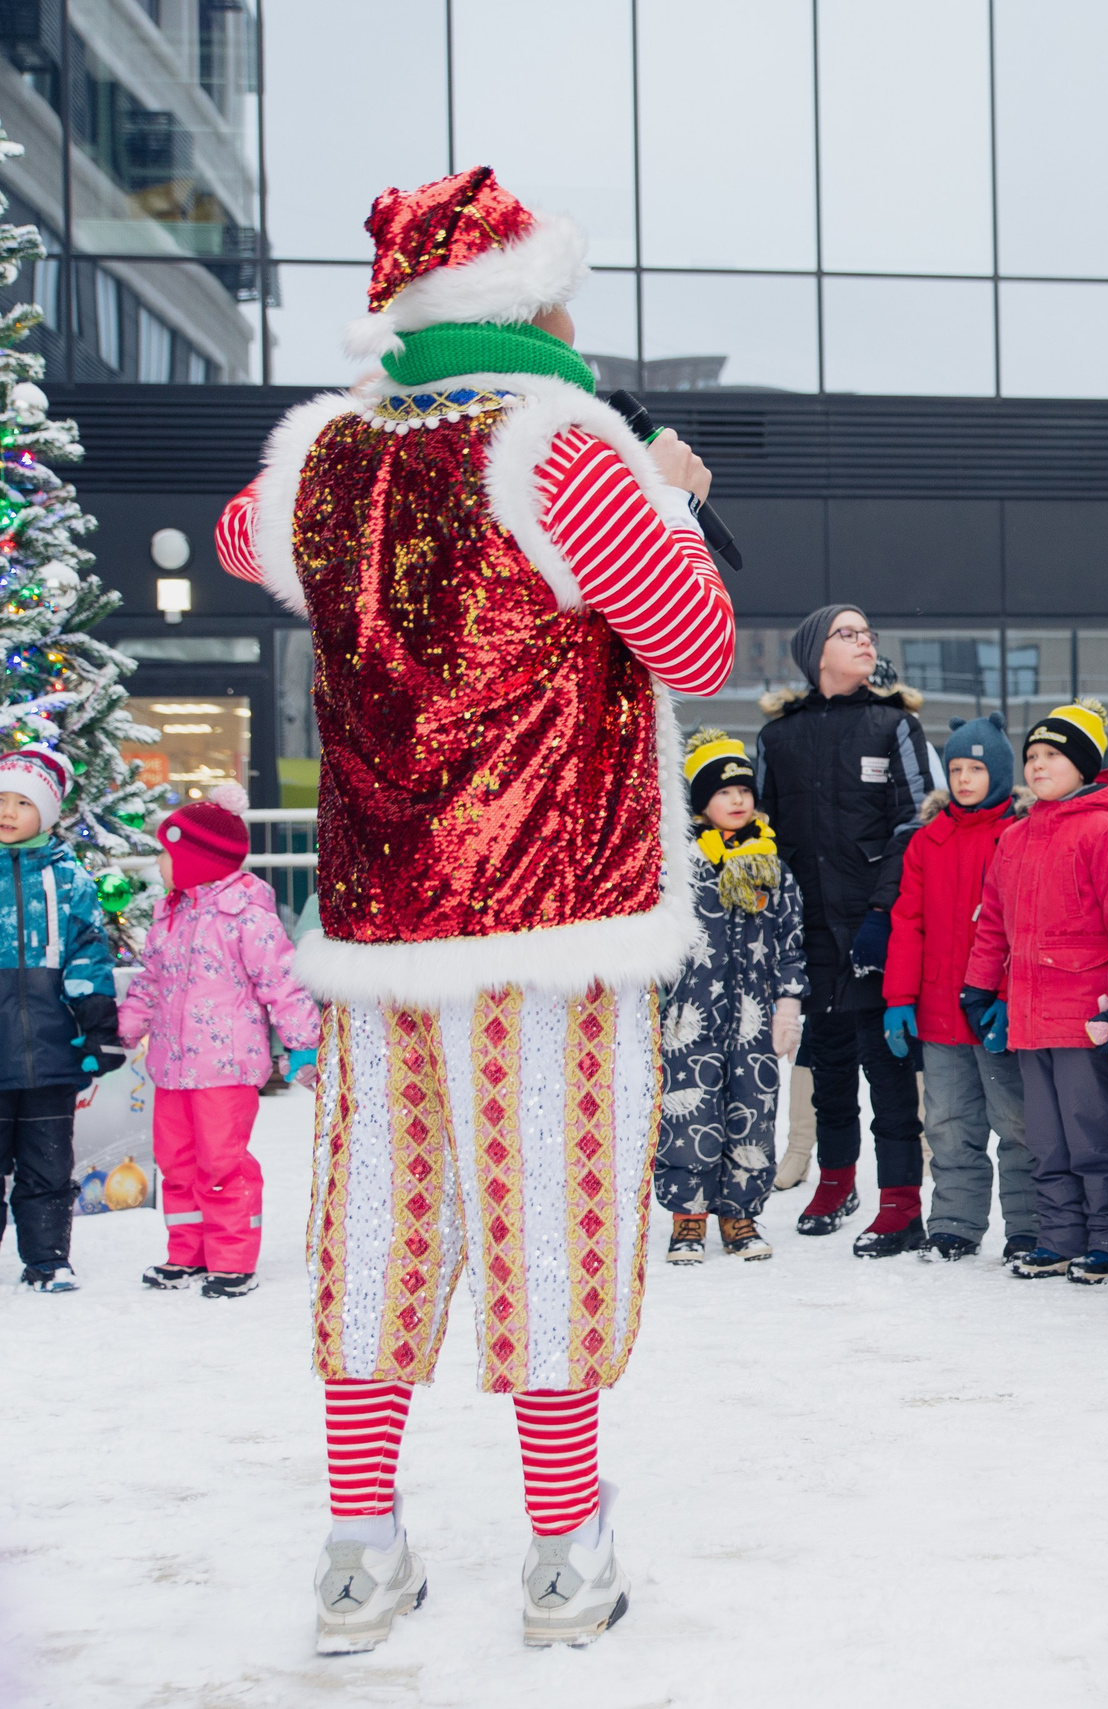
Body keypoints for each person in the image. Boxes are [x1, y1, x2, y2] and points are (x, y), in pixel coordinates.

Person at [214, 168, 733, 1650]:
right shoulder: (566, 446)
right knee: (549, 1222)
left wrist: (372, 407)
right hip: (553, 920)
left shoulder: (325, 455)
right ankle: (566, 1557)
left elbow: (246, 541)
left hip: (382, 929)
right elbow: (691, 642)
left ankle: (358, 1553)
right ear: (535, 303)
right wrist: (671, 503)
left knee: (378, 1222)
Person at [757, 604, 933, 1254]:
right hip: (809, 932)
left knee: (889, 1070)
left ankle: (900, 1201)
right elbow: (765, 835)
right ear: (816, 652)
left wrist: (884, 915)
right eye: (847, 633)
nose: (864, 642)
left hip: (877, 930)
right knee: (825, 1065)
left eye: (867, 634)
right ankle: (836, 1180)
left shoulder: (894, 725)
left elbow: (918, 823)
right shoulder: (779, 736)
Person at [961, 698, 1108, 1283]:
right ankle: (1061, 1234)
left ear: (1084, 765)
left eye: (1054, 755)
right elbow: (993, 920)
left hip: (1086, 1015)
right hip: (1028, 1014)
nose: (1039, 765)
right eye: (1033, 756)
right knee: (1044, 1137)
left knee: (1094, 1130)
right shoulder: (1015, 839)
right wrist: (978, 986)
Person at [122, 783, 321, 1299]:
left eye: (167, 856)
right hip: (170, 1066)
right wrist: (126, 1026)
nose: (160, 867)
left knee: (221, 1163)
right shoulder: (169, 914)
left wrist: (303, 1042)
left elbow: (282, 982)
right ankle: (186, 1252)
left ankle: (232, 1257)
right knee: (176, 1162)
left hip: (226, 1068)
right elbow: (149, 979)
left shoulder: (248, 918)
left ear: (199, 858)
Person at [883, 713, 1039, 1262]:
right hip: (937, 1012)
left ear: (997, 772)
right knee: (948, 1125)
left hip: (996, 1012)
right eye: (956, 768)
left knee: (1016, 1125)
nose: (965, 779)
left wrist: (1004, 996)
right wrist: (899, 1000)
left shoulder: (1017, 836)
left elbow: (1021, 926)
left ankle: (1028, 1225)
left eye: (976, 768)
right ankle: (953, 1221)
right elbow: (908, 923)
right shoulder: (929, 841)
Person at [655, 733, 806, 1266]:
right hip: (689, 1017)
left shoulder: (774, 869)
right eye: (724, 792)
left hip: (754, 1017)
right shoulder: (680, 871)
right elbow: (657, 946)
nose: (738, 800)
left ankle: (739, 1214)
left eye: (744, 789)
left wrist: (788, 1004)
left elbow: (791, 942)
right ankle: (688, 1216)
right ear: (700, 803)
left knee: (752, 1111)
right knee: (688, 1110)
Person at [0, 746, 119, 1295]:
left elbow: (90, 959)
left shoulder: (71, 881)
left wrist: (98, 1032)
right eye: (1, 798)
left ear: (46, 813)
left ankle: (47, 1260)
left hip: (51, 1053)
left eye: (22, 802)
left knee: (47, 1165)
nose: (7, 810)